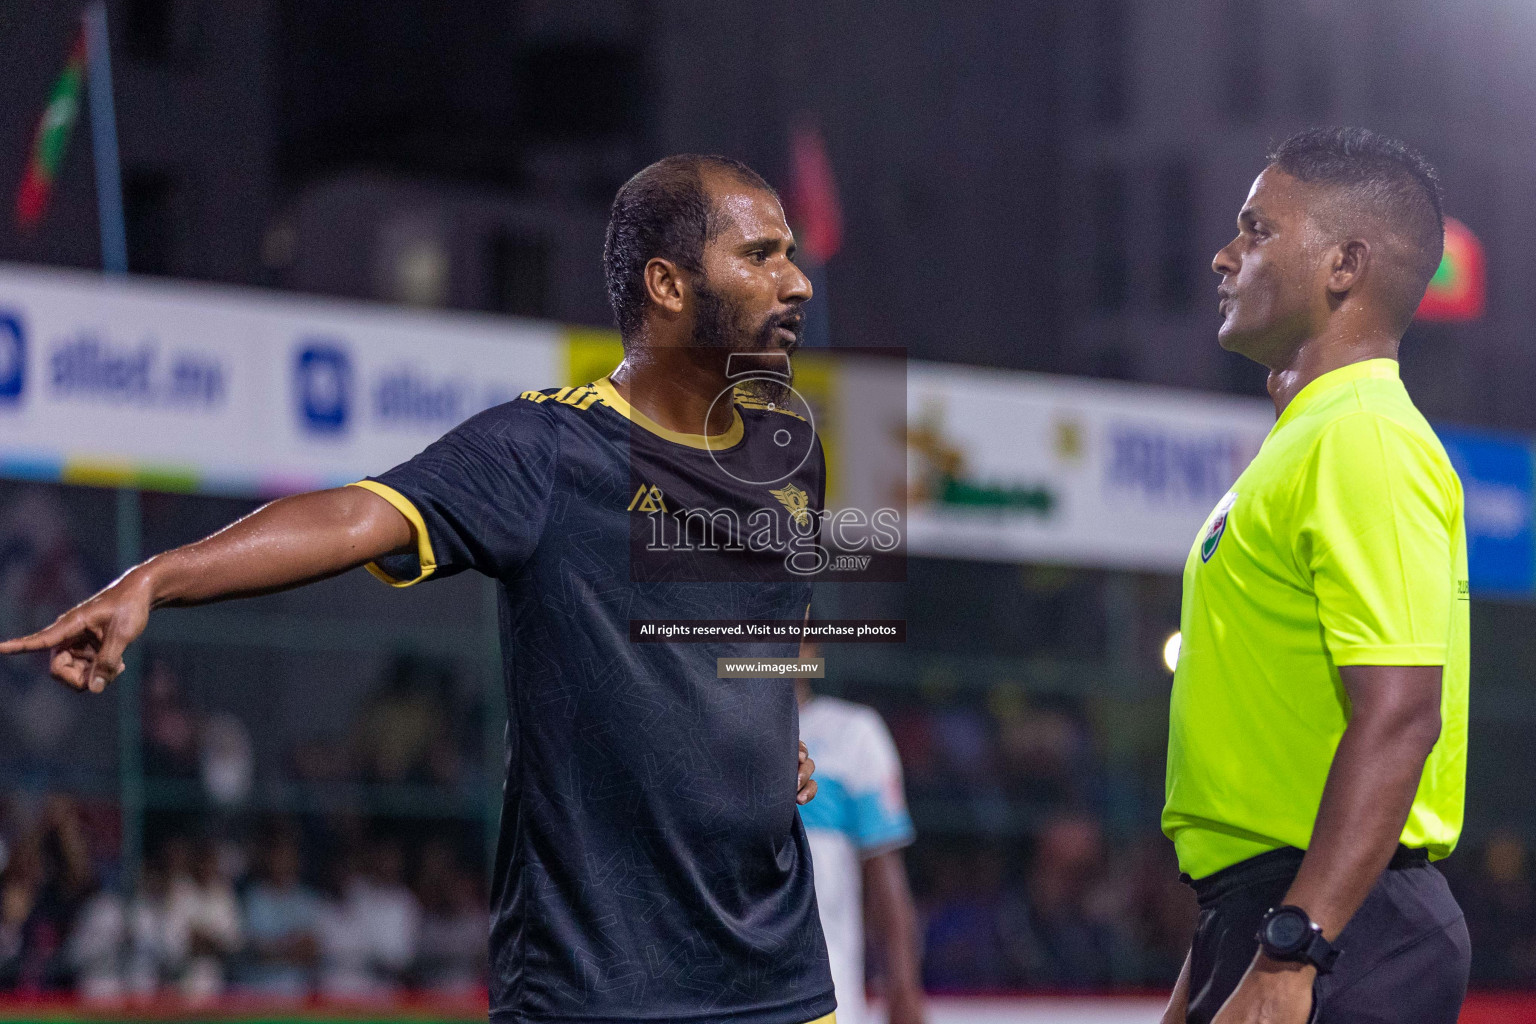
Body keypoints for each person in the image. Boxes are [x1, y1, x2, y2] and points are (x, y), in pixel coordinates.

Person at [1, 153, 830, 1024]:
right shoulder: (547, 450)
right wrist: (155, 579)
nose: (798, 282)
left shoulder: (791, 454)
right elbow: (356, 517)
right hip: (601, 992)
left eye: (790, 254)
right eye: (762, 255)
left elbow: (767, 627)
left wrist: (770, 732)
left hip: (781, 980)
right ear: (667, 284)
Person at [1160, 128, 1470, 1024]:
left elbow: (1401, 711)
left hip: (1341, 931)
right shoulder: (1308, 441)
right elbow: (1267, 774)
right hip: (1276, 916)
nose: (1225, 255)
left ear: (1344, 264)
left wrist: (1297, 946)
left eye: (1257, 230)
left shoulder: (1363, 436)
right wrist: (1211, 967)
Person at [796, 647, 924, 1024]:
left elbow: (886, 874)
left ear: (812, 651)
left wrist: (902, 988)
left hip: (825, 995)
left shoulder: (853, 732)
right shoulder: (715, 734)